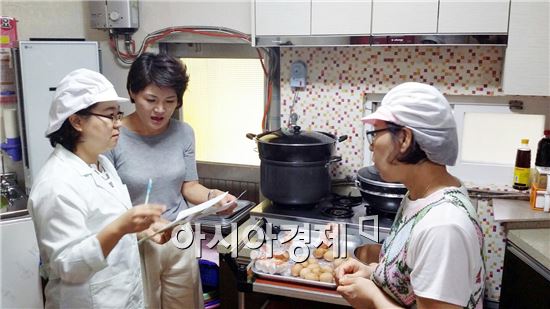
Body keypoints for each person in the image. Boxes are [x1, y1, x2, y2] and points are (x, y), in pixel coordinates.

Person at [334, 82, 484, 309]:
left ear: (404, 139)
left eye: (375, 134)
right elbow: (411, 277)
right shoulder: (418, 198)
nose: (372, 145)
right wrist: (372, 273)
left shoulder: (443, 226)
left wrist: (373, 298)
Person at [104, 52, 236, 309]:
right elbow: (105, 203)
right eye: (150, 99)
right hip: (136, 242)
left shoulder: (183, 132)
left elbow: (189, 186)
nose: (160, 109)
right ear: (132, 93)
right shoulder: (113, 136)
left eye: (170, 101)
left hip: (178, 236)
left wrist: (214, 197)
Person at [28, 69, 168, 309]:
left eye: (118, 115)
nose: (118, 124)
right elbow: (67, 265)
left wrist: (142, 230)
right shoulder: (56, 184)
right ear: (76, 121)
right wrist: (121, 226)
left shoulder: (101, 163)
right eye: (109, 116)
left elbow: (103, 224)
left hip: (122, 295)